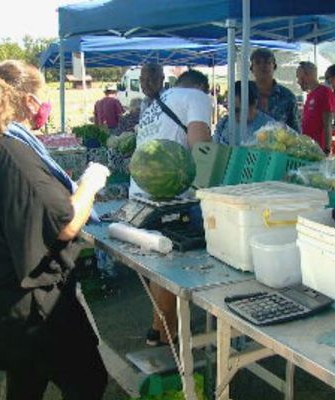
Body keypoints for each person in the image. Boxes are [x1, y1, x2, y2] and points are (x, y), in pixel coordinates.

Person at [0, 60, 109, 399]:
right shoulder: (12, 153)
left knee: (26, 383)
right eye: (40, 97)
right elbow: (65, 223)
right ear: (26, 100)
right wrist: (90, 183)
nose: (42, 106)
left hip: (7, 302)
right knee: (87, 382)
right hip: (34, 304)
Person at [135, 64, 211, 347]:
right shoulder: (197, 97)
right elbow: (201, 147)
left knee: (160, 262)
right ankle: (167, 330)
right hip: (172, 197)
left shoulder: (159, 102)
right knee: (173, 263)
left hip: (143, 190)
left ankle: (158, 328)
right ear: (199, 88)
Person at [250, 48, 300, 132]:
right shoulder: (244, 94)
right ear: (251, 69)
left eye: (267, 62)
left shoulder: (288, 97)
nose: (263, 66)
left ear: (274, 66)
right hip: (245, 144)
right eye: (258, 62)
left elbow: (295, 131)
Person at [213, 80, 275, 145]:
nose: (233, 115)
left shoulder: (271, 128)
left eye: (237, 110)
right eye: (229, 110)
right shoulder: (223, 124)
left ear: (254, 104)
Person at [296, 61, 335, 152]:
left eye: (299, 77)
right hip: (308, 148)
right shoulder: (310, 95)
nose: (298, 82)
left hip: (319, 149)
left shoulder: (324, 92)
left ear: (308, 75)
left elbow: (328, 123)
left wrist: (326, 149)